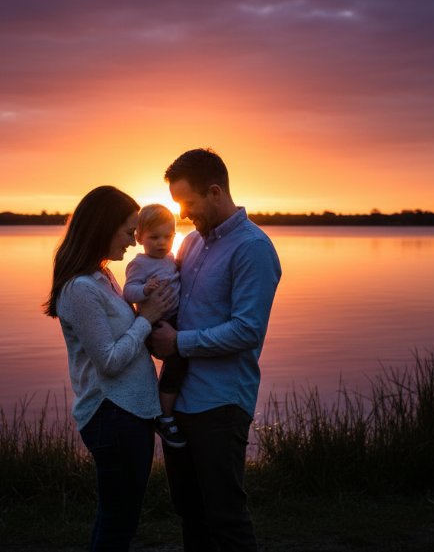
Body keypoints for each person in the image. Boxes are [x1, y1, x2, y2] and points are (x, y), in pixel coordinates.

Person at [149, 148, 281, 551]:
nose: (183, 213)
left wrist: (178, 342)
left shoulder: (253, 248)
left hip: (221, 403)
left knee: (226, 517)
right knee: (190, 511)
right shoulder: (189, 243)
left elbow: (247, 331)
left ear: (215, 191)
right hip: (180, 402)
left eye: (187, 202)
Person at [44, 185, 177, 552]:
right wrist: (146, 319)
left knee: (118, 517)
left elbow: (125, 341)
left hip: (129, 412)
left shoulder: (104, 277)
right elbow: (109, 360)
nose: (134, 242)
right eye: (128, 232)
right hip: (112, 414)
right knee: (119, 521)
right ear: (103, 228)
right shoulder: (81, 289)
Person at [123, 203, 188, 449]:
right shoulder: (139, 264)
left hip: (174, 319)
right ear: (139, 237)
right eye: (154, 237)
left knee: (183, 358)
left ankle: (168, 404)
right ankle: (165, 415)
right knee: (178, 360)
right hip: (155, 323)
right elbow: (128, 292)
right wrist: (144, 290)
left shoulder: (170, 259)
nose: (162, 243)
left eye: (167, 237)